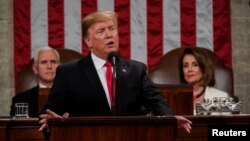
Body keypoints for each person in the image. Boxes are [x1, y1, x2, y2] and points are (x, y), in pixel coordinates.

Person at [38, 11, 192, 133]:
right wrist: (54, 123)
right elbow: (49, 115)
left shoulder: (136, 70)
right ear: (88, 41)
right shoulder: (69, 72)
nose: (109, 35)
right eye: (101, 31)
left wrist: (170, 119)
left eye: (112, 29)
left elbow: (157, 101)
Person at [10, 46, 61, 117]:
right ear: (35, 69)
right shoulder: (20, 100)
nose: (49, 66)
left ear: (60, 67)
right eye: (44, 62)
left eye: (53, 62)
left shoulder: (73, 97)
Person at [178, 47, 229, 114]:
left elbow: (229, 124)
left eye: (195, 65)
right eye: (185, 66)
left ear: (204, 68)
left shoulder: (222, 97)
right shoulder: (174, 99)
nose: (189, 69)